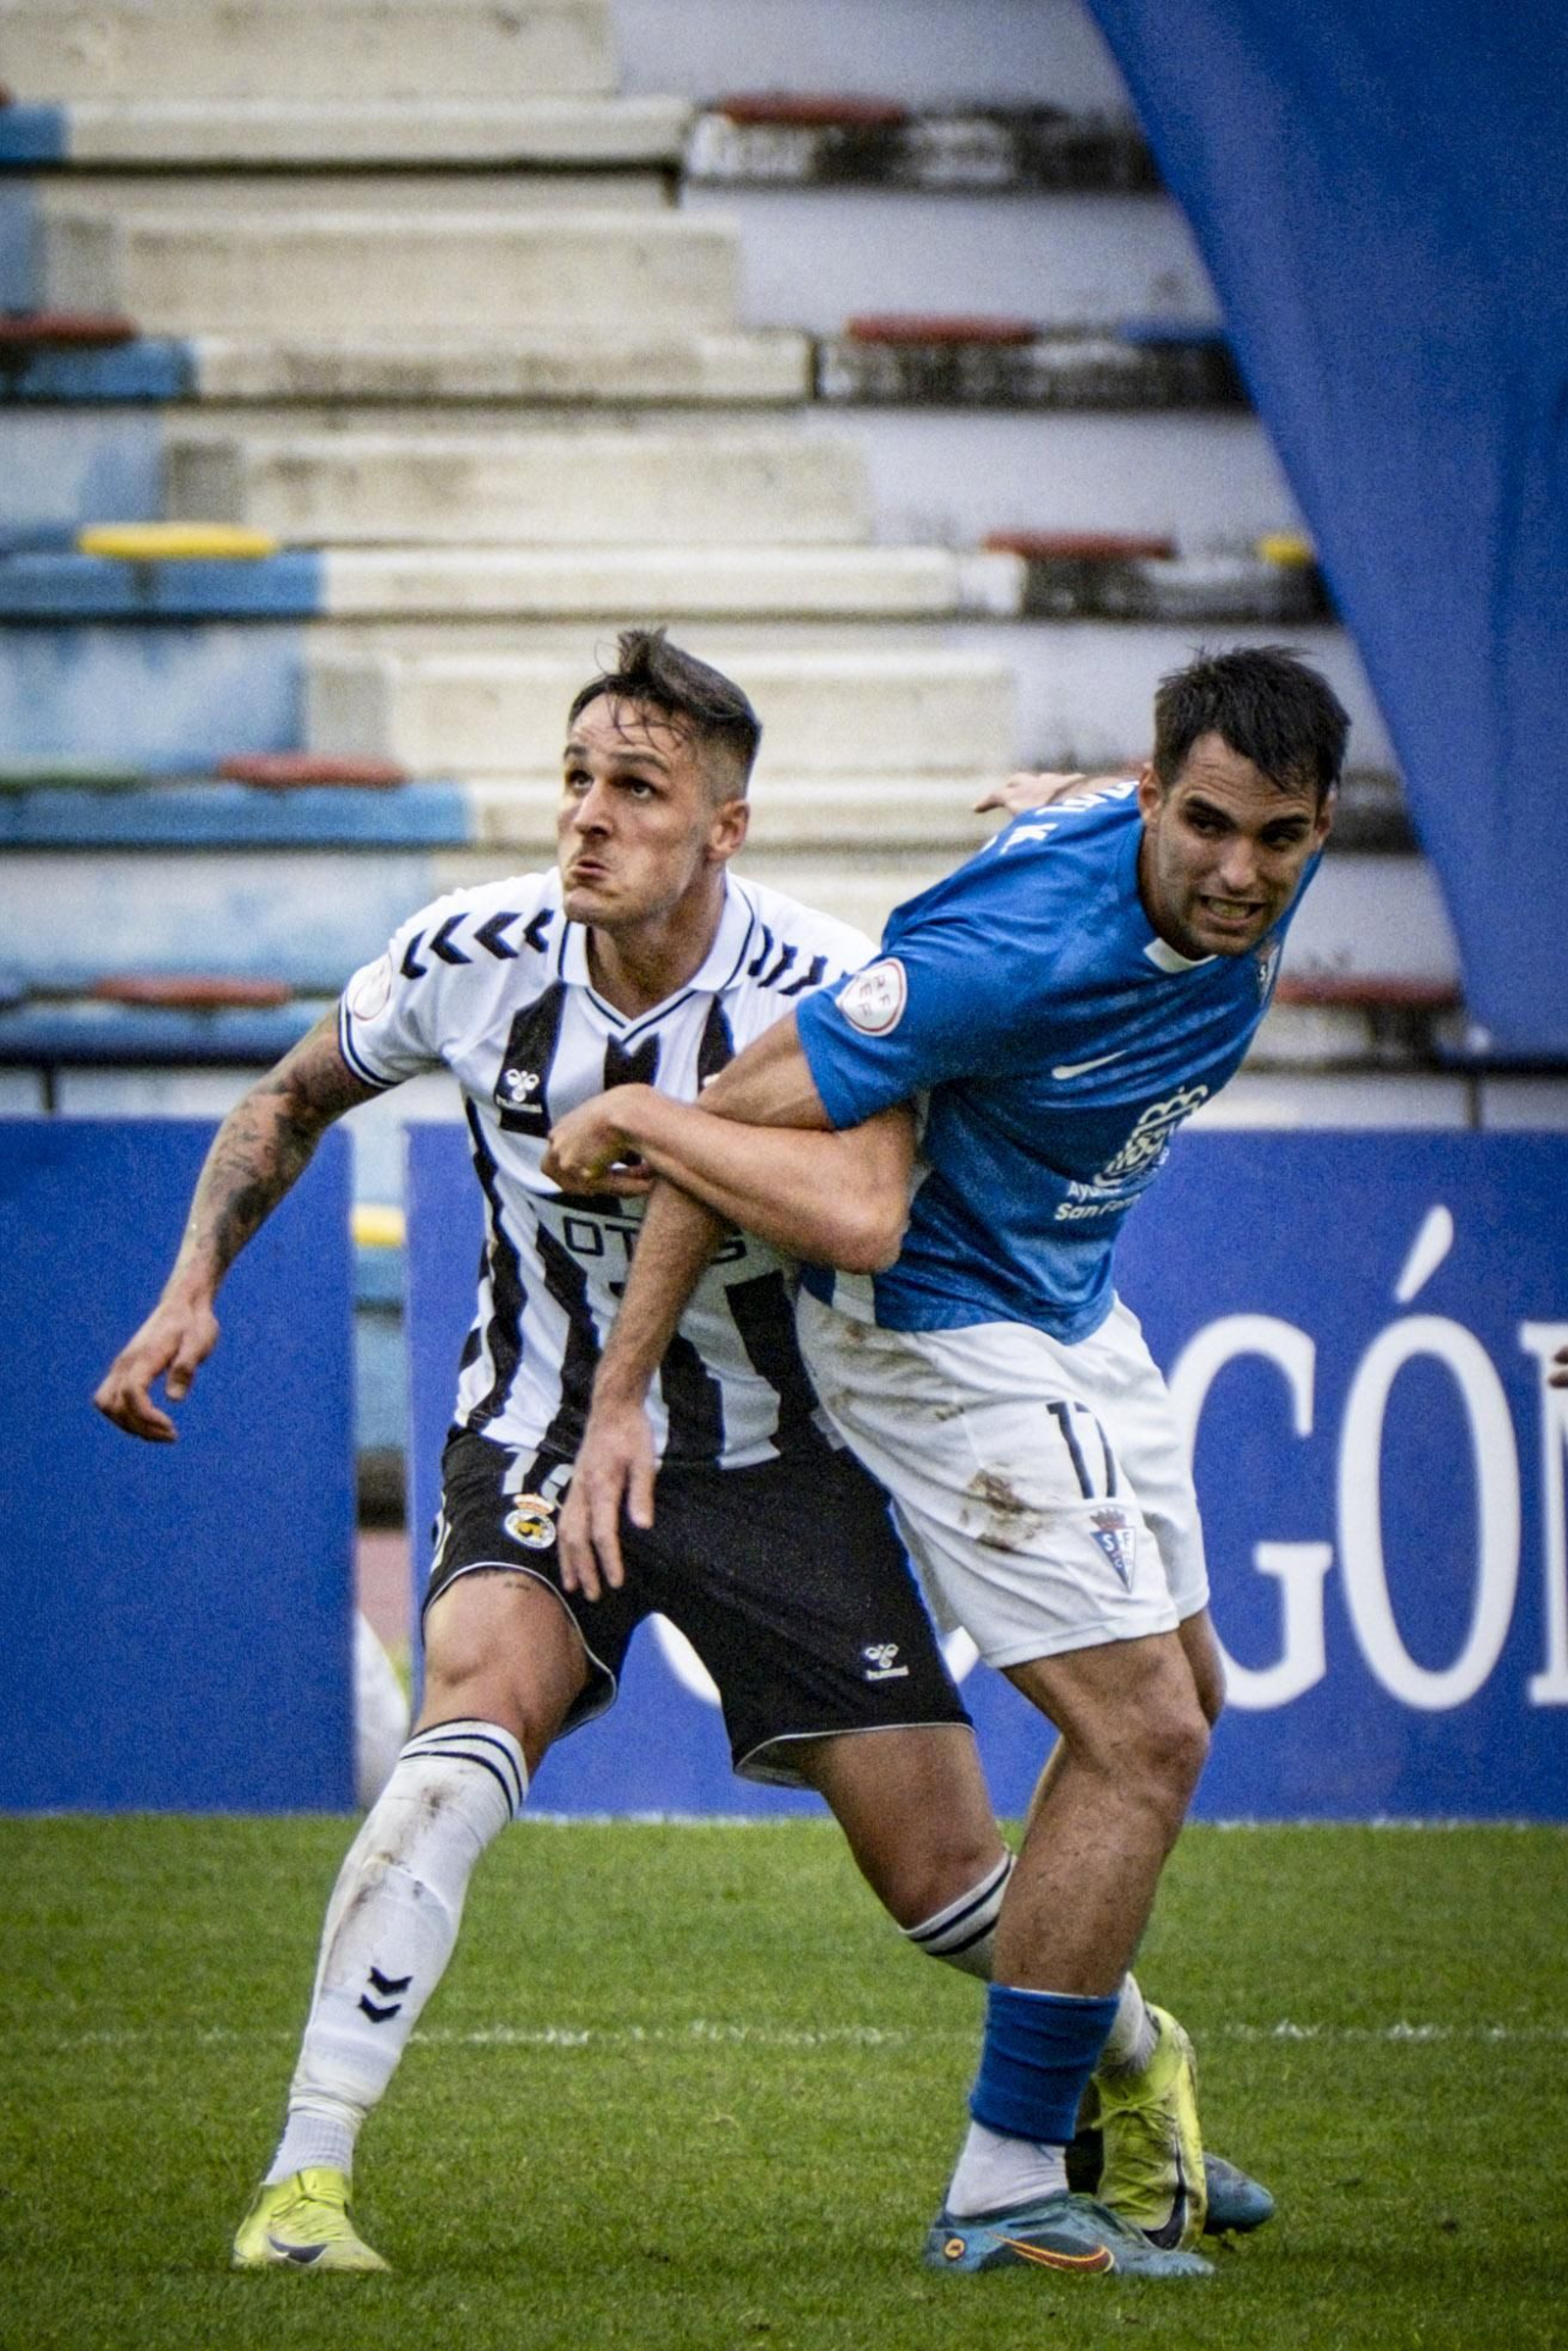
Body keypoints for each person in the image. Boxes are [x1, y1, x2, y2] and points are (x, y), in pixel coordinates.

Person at [93, 629, 1254, 2278]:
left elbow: (867, 1210)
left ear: (726, 828)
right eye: (576, 778)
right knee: (467, 1726)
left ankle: (1131, 2052)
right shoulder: (468, 952)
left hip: (785, 1450)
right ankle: (304, 2186)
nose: (588, 818)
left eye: (636, 788)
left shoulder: (818, 984)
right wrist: (190, 1287)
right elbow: (288, 1101)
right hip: (542, 1427)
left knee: (939, 1882)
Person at [546, 642, 1348, 2284]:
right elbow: (744, 1119)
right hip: (937, 1324)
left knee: (1186, 1696)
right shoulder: (1003, 959)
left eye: (1280, 838)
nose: (1239, 872)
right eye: (1206, 826)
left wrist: (1060, 812)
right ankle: (1002, 2186)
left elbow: (1133, 844)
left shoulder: (1200, 864)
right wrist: (620, 1369)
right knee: (1143, 1736)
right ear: (1154, 796)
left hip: (1070, 1298)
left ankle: (1084, 2108)